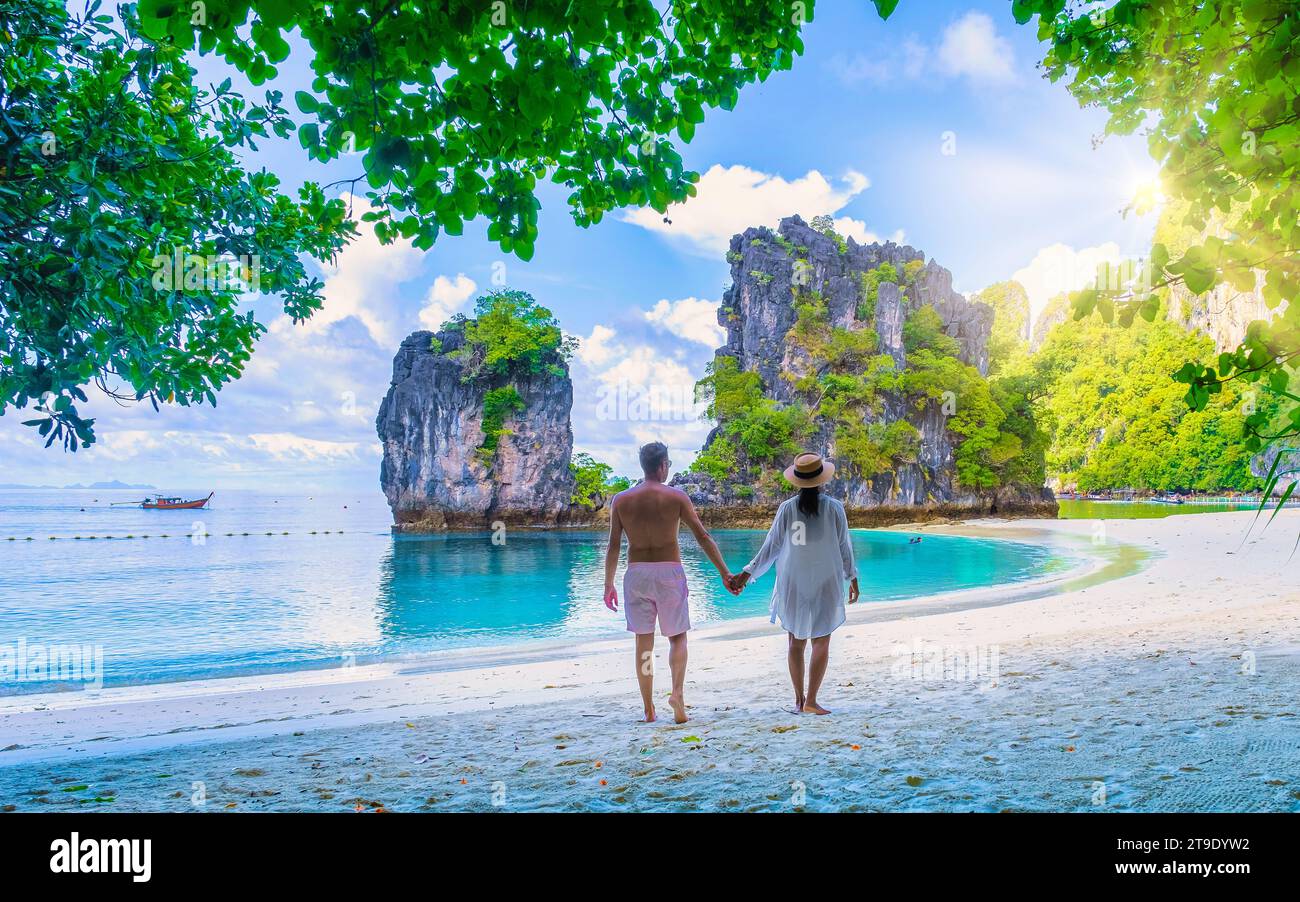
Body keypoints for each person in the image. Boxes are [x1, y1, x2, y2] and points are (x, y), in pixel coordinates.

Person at [603, 442, 737, 724]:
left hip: (637, 573)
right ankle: (677, 694)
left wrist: (608, 584)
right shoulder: (677, 497)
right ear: (663, 465)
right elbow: (703, 537)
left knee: (644, 642)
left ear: (643, 465)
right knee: (677, 637)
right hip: (669, 572)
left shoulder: (622, 500)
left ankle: (649, 709)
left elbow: (613, 545)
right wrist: (724, 572)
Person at [729, 452, 859, 715]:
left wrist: (746, 574)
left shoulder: (787, 508)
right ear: (822, 480)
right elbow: (845, 546)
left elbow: (771, 548)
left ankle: (799, 700)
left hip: (792, 581)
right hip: (826, 580)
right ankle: (812, 700)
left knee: (795, 642)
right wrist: (852, 577)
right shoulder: (834, 508)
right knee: (821, 640)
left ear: (797, 481)